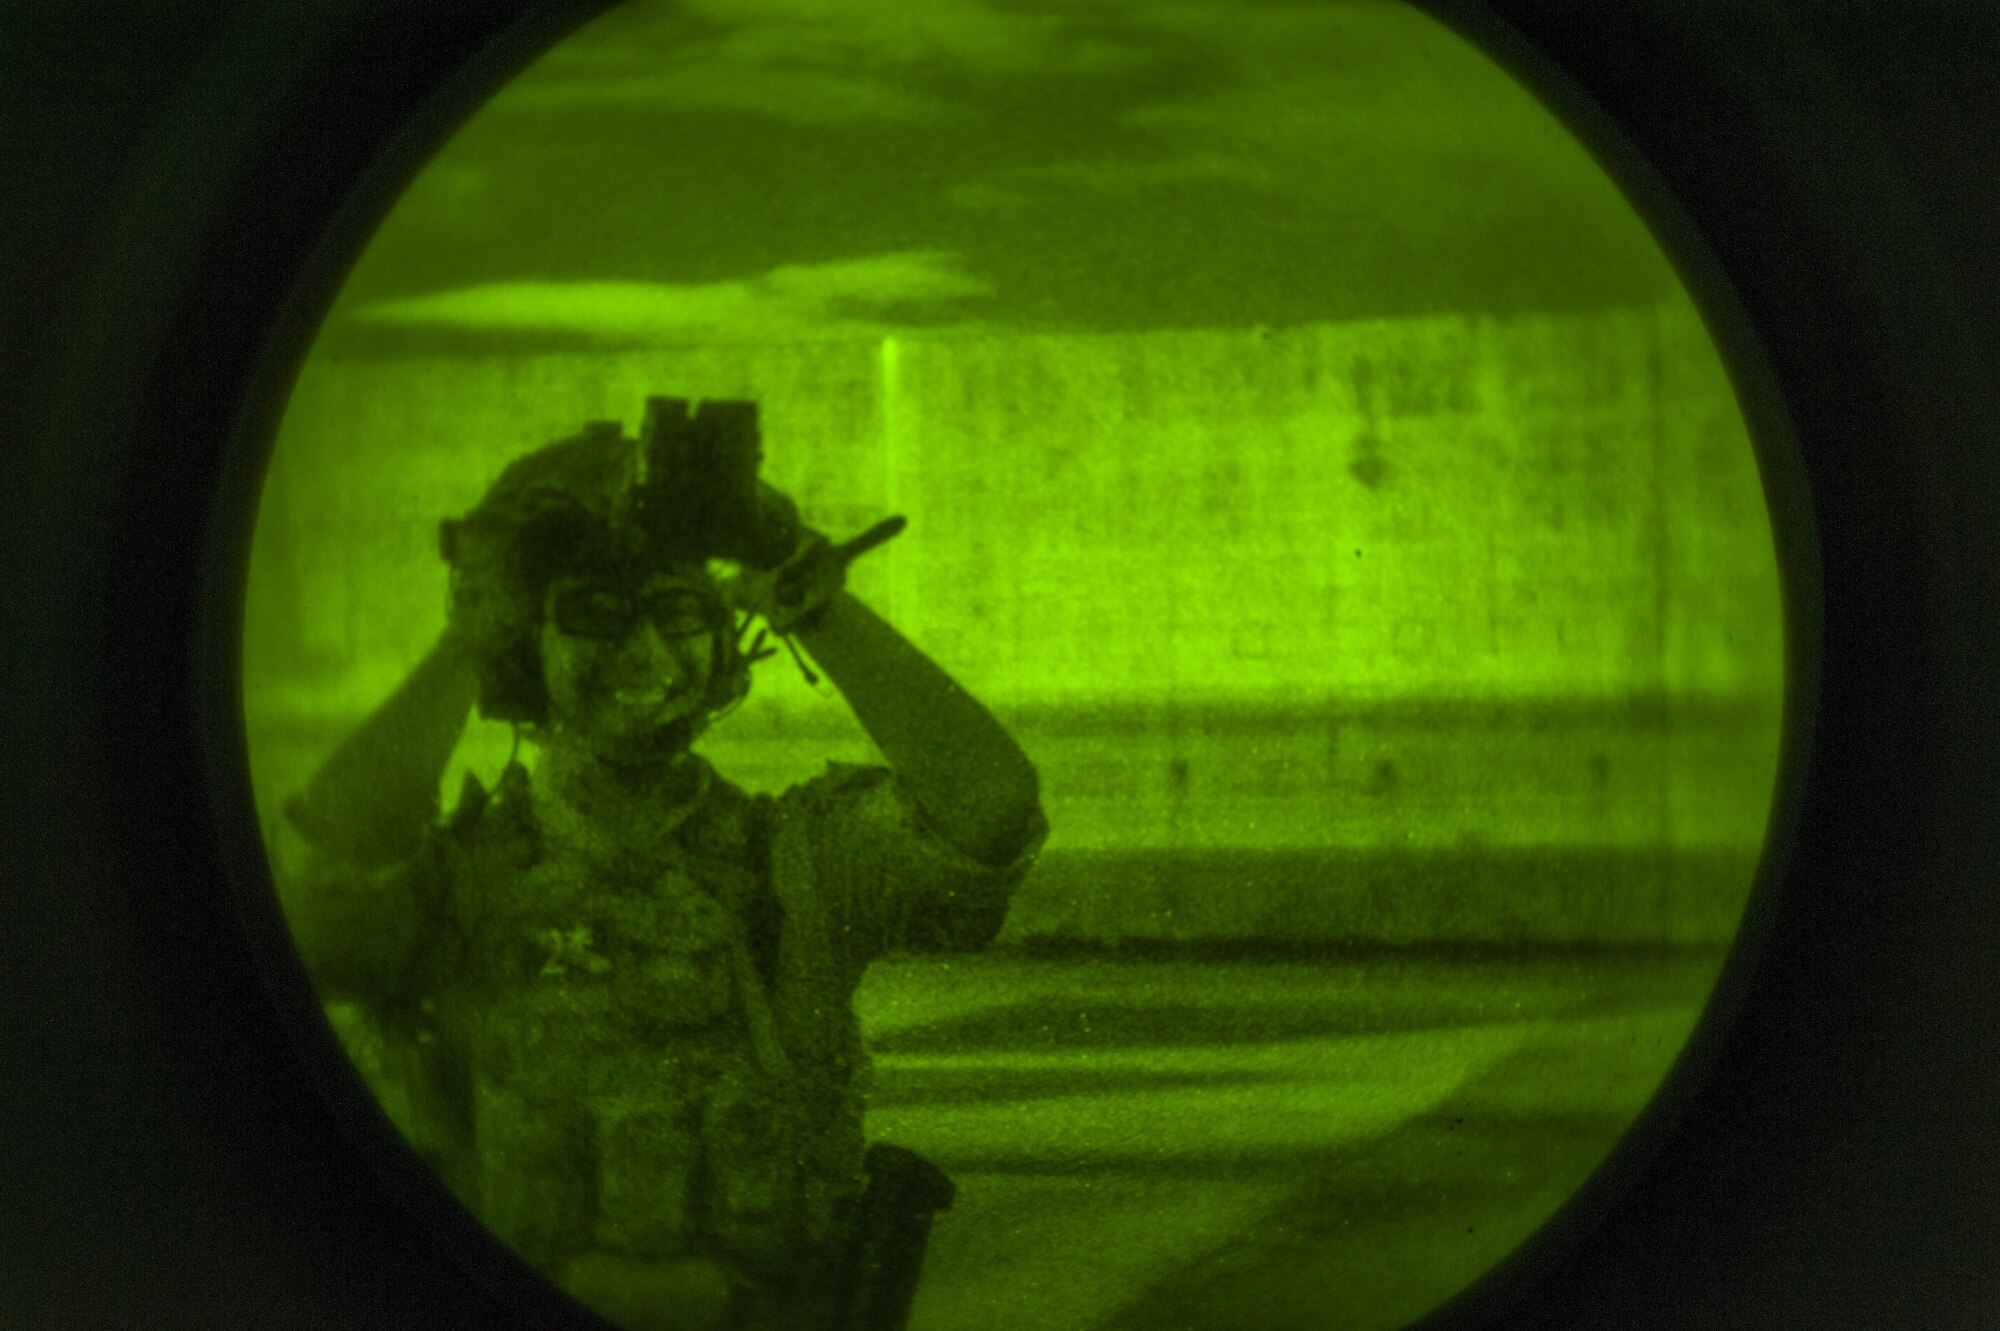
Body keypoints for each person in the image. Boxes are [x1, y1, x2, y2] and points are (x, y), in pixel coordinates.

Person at [277, 418, 1047, 1331]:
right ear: (528, 649)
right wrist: (473, 632)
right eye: (596, 614)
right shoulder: (458, 878)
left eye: (679, 614)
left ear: (725, 648)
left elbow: (990, 812)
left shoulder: (793, 864)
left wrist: (805, 585)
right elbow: (326, 894)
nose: (645, 655)